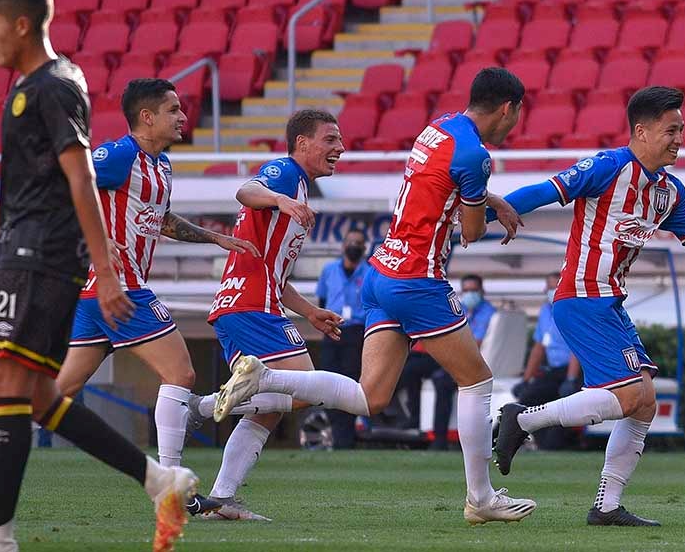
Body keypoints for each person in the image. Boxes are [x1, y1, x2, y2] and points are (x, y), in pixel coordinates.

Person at [0, 0, 198, 551]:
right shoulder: (32, 87)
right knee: (38, 397)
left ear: (22, 24)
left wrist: (104, 271)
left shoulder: (53, 88)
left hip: (43, 260)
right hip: (26, 256)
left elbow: (78, 178)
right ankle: (160, 480)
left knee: (10, 387)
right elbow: (25, 186)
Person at [213, 68, 538, 525]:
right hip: (418, 279)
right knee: (477, 381)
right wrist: (487, 205)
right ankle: (480, 498)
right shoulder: (476, 155)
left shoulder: (439, 128)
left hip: (381, 271)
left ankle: (264, 381)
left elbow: (442, 182)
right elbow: (469, 231)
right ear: (508, 108)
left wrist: (489, 196)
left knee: (371, 398)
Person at [0, 78, 259, 522]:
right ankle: (171, 489)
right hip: (118, 287)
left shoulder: (161, 166)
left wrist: (215, 238)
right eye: (173, 110)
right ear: (147, 117)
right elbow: (63, 184)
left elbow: (159, 220)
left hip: (92, 296)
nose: (182, 117)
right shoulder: (120, 155)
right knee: (181, 371)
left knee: (57, 392)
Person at [493, 86, 685, 527]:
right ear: (642, 130)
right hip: (580, 296)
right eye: (671, 130)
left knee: (644, 402)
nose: (679, 138)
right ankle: (522, 420)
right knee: (630, 394)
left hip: (609, 302)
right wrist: (483, 212)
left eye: (682, 130)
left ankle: (607, 505)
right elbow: (544, 190)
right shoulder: (606, 166)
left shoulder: (669, 193)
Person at [186, 109, 348, 521]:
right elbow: (246, 189)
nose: (339, 148)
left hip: (251, 302)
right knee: (306, 389)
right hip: (251, 307)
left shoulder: (298, 189)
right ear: (302, 143)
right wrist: (280, 198)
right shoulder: (285, 172)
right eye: (330, 140)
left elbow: (274, 271)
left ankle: (222, 499)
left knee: (273, 406)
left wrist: (310, 312)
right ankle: (202, 408)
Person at [397, 273, 496, 450]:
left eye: (473, 290)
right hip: (450, 353)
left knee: (441, 380)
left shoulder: (488, 313)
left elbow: (476, 343)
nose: (470, 294)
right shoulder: (459, 307)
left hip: (468, 359)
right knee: (411, 366)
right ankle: (412, 418)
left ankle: (439, 438)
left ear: (482, 291)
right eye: (466, 290)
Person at [511, 272, 581, 450]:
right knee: (528, 397)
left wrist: (571, 379)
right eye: (549, 287)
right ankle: (541, 443)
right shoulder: (545, 310)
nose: (551, 291)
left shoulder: (573, 309)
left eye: (554, 287)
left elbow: (577, 347)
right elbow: (539, 347)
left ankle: (555, 445)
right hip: (554, 370)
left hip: (574, 370)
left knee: (564, 405)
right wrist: (526, 379)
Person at [315, 228, 370, 449]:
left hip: (356, 331)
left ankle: (347, 437)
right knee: (327, 379)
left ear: (364, 248)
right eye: (350, 242)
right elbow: (322, 299)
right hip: (332, 330)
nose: (354, 246)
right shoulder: (329, 270)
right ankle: (336, 433)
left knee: (350, 382)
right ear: (343, 245)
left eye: (358, 243)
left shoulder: (369, 272)